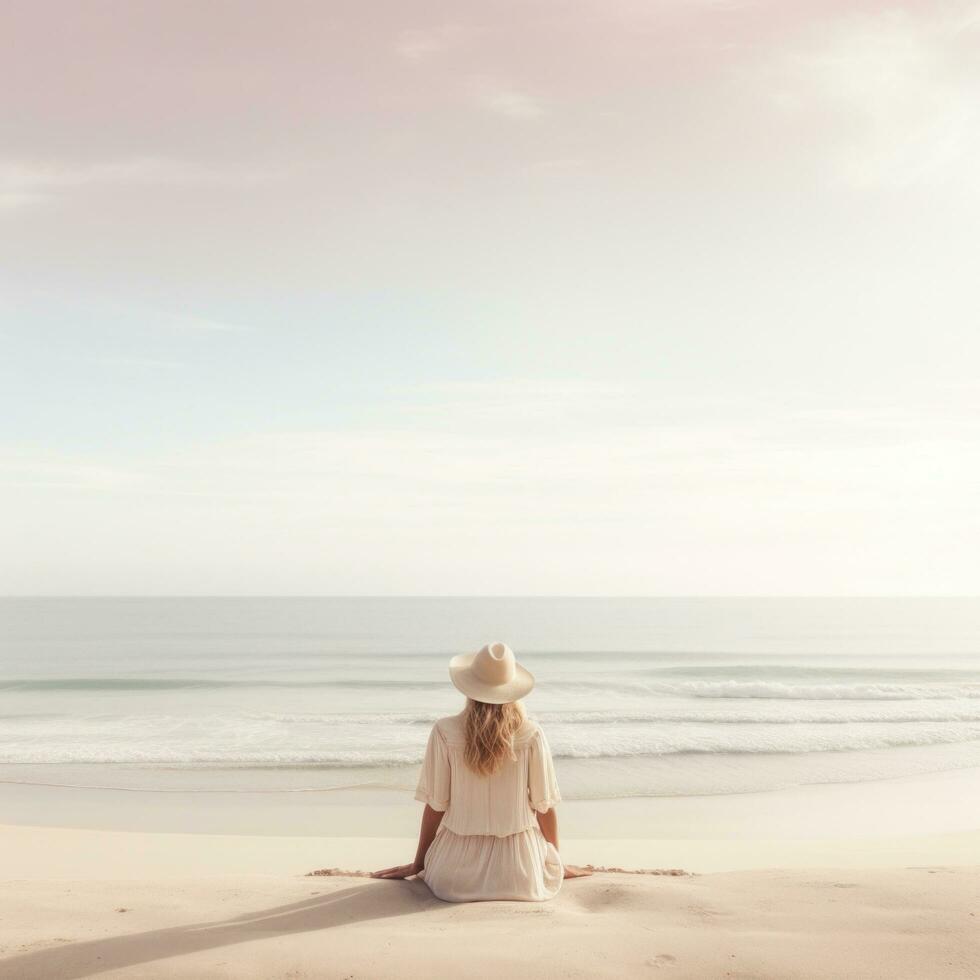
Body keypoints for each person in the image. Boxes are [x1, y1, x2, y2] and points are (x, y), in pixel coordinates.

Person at [372, 641, 592, 901]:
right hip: (521, 874)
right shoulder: (531, 734)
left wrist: (418, 863)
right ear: (512, 689)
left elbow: (436, 805)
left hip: (453, 876)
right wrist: (556, 863)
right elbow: (544, 806)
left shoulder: (444, 731)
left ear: (468, 686)